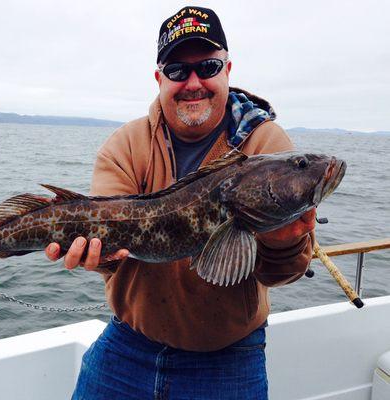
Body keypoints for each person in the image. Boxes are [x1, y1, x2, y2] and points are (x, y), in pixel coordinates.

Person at [46, 6, 315, 399]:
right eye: (177, 71)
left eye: (207, 66)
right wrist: (96, 257)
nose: (193, 82)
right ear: (159, 78)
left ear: (227, 69)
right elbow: (113, 252)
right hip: (129, 343)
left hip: (230, 356)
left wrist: (283, 242)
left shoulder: (267, 148)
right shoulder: (126, 145)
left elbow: (283, 274)